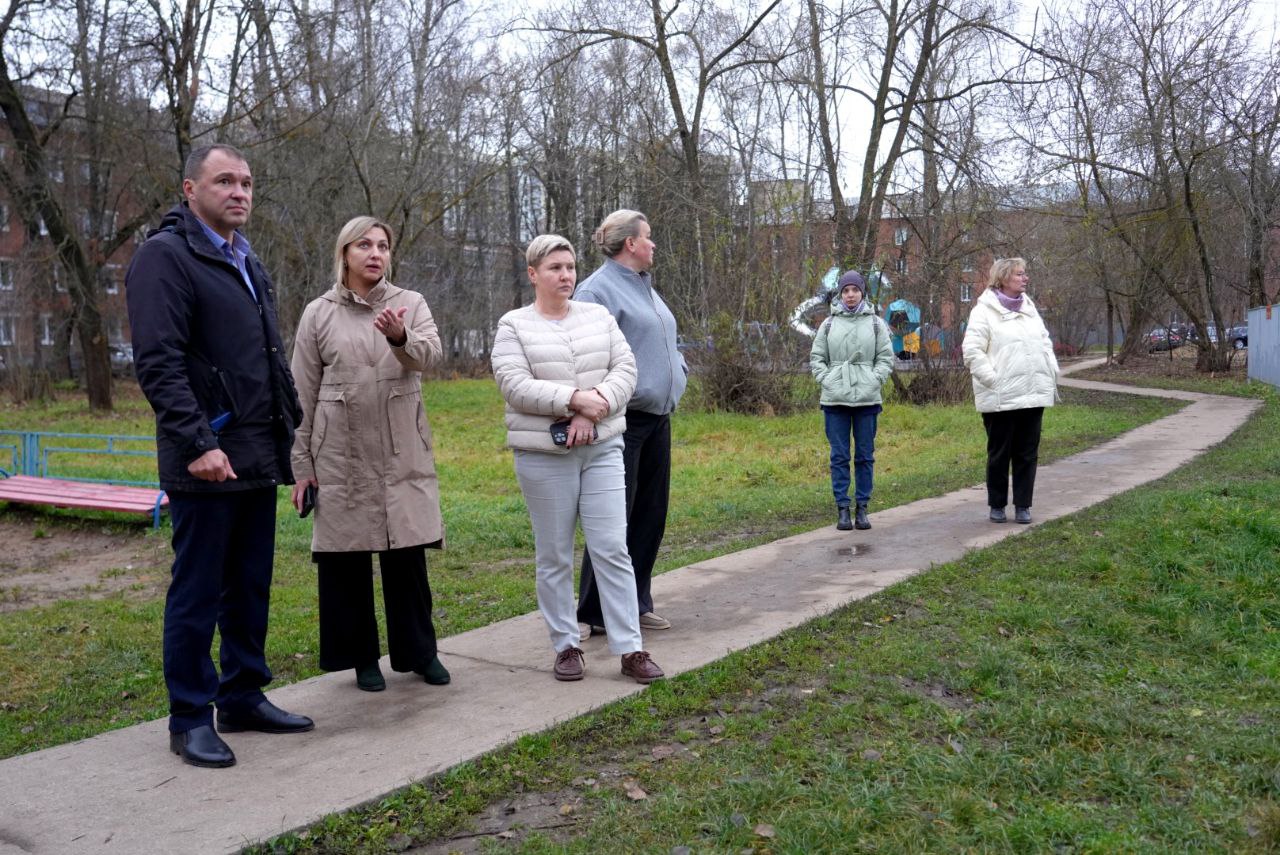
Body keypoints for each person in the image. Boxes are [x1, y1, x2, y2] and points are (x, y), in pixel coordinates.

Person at [126, 143, 312, 769]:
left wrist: (289, 425)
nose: (240, 192)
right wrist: (198, 443)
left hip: (255, 451)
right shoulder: (165, 256)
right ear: (190, 189)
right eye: (225, 181)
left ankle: (241, 696)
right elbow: (159, 362)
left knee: (249, 587)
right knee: (198, 591)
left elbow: (265, 355)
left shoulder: (244, 258)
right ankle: (189, 718)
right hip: (206, 457)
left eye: (247, 183)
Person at [491, 234, 665, 684]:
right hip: (545, 457)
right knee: (554, 554)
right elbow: (515, 384)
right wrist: (574, 401)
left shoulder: (598, 316)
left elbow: (625, 369)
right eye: (555, 268)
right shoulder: (514, 325)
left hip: (603, 449)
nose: (565, 275)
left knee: (612, 548)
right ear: (533, 274)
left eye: (569, 267)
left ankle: (630, 648)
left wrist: (594, 407)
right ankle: (566, 645)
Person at [289, 217, 450, 693]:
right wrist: (301, 466)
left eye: (383, 245)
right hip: (340, 450)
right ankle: (361, 658)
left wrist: (400, 338)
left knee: (407, 555)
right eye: (364, 245)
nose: (375, 253)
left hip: (402, 450)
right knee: (346, 557)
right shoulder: (318, 313)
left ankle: (420, 653)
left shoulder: (410, 303)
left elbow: (430, 357)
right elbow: (301, 393)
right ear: (344, 253)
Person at [574, 210, 687, 635]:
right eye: (648, 236)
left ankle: (635, 604)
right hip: (623, 420)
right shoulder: (595, 290)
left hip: (658, 419)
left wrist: (679, 369)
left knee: (650, 515)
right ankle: (594, 613)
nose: (654, 244)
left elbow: (663, 340)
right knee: (612, 518)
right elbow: (584, 358)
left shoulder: (645, 286)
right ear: (631, 243)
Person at [961, 257, 1059, 525]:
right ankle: (997, 505)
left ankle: (1023, 506)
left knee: (1027, 454)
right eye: (1019, 274)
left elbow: (1044, 341)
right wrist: (993, 380)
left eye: (1024, 273)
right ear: (1003, 277)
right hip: (1000, 396)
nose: (1025, 278)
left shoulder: (1029, 307)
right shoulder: (983, 311)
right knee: (999, 454)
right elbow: (972, 351)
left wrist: (1050, 368)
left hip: (1033, 392)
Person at [809, 270, 895, 531]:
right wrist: (828, 379)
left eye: (855, 290)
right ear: (840, 294)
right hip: (835, 400)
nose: (850, 295)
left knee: (865, 456)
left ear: (862, 293)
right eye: (845, 290)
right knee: (839, 456)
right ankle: (843, 509)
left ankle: (863, 508)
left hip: (867, 400)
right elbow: (817, 358)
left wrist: (873, 379)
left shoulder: (876, 324)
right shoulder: (828, 325)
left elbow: (885, 358)